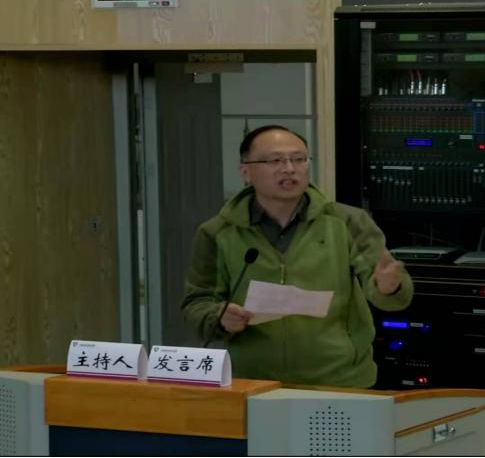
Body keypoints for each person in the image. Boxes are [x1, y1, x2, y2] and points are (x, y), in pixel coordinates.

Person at [181, 125, 413, 388]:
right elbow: (196, 303)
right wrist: (219, 317)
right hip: (251, 382)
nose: (289, 169)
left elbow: (393, 298)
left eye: (299, 159)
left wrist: (389, 287)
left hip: (339, 380)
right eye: (275, 161)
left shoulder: (347, 221)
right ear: (246, 171)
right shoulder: (217, 232)